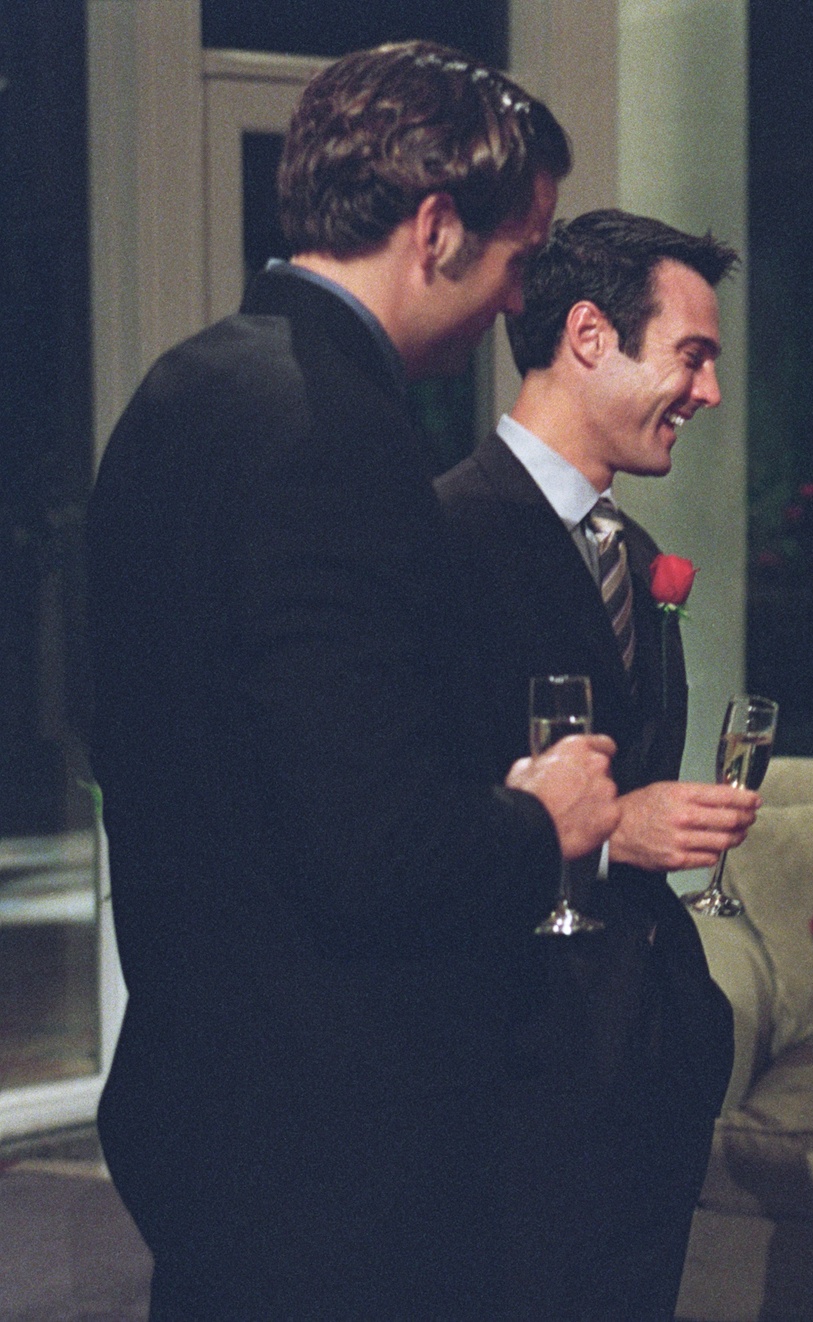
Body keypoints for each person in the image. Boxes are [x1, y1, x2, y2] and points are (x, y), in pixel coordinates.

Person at [85, 42, 618, 1317]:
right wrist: (540, 816)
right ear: (435, 229)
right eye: (519, 254)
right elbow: (372, 845)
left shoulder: (179, 387)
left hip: (196, 1086)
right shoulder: (334, 431)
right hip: (332, 1137)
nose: (518, 297)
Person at [433, 209, 755, 1315]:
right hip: (515, 1067)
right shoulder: (443, 535)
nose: (710, 391)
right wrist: (614, 829)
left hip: (646, 1056)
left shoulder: (636, 552)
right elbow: (414, 800)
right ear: (587, 335)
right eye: (691, 356)